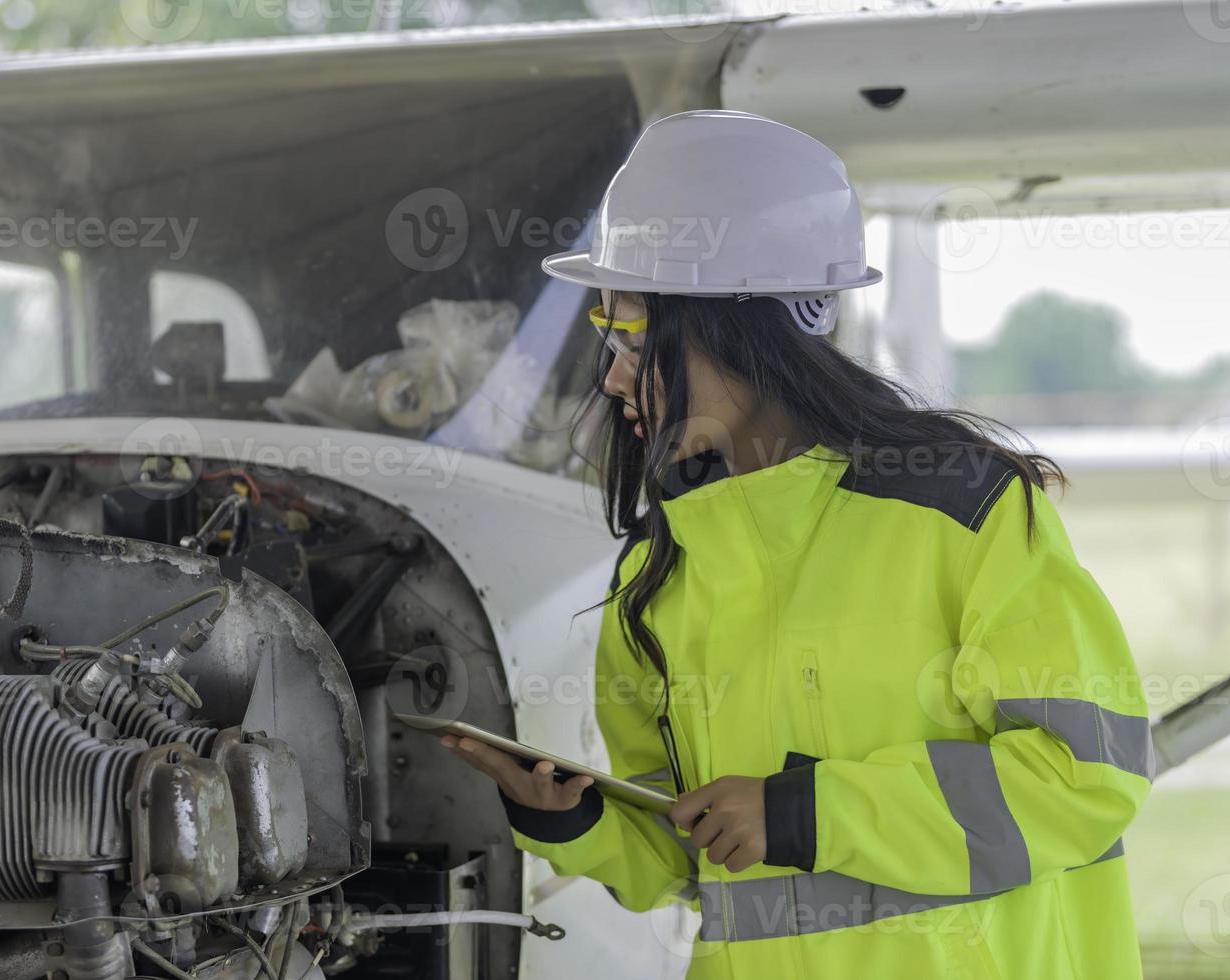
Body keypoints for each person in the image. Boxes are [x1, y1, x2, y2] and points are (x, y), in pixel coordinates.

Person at [443, 110, 1150, 978]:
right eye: (605, 335)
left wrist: (808, 813)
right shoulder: (657, 575)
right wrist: (572, 821)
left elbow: (1085, 776)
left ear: (738, 330)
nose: (616, 377)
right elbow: (691, 855)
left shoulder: (959, 510)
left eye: (631, 335)